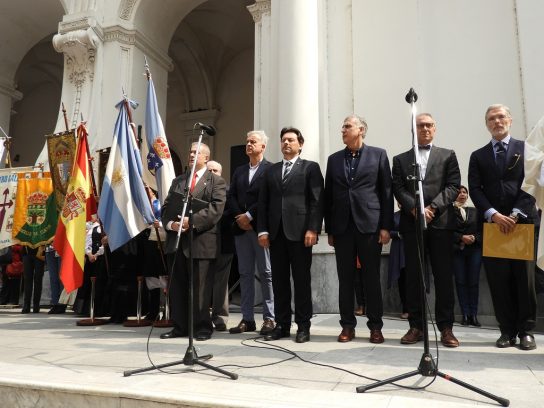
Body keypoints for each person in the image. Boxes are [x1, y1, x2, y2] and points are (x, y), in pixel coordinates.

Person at [468, 104, 537, 350]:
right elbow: (475, 189)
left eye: (500, 117)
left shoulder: (527, 149)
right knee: (499, 281)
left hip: (522, 225)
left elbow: (532, 183)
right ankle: (505, 330)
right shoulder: (478, 156)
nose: (496, 122)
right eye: (491, 119)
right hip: (493, 226)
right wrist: (494, 214)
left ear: (510, 120)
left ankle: (525, 331)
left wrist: (516, 214)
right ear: (487, 124)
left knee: (523, 280)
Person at [392, 113, 461, 348]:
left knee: (443, 277)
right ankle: (416, 326)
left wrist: (431, 207)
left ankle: (446, 328)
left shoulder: (447, 155)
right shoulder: (400, 159)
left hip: (441, 224)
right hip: (412, 226)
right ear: (413, 130)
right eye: (420, 125)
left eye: (429, 125)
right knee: (414, 276)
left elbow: (453, 186)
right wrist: (415, 208)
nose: (425, 129)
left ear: (435, 128)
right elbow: (398, 188)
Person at [324, 115, 393, 344]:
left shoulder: (379, 154)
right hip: (342, 227)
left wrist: (386, 227)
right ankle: (347, 326)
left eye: (347, 126)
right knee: (345, 279)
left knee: (371, 278)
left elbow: (386, 193)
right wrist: (330, 229)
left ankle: (375, 326)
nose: (342, 129)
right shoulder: (333, 160)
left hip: (369, 226)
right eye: (342, 126)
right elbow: (328, 196)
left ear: (361, 129)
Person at [257, 126, 324, 343]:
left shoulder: (310, 168)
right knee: (279, 282)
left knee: (302, 281)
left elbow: (316, 201)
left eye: (291, 140)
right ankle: (282, 325)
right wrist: (263, 230)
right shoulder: (271, 171)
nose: (286, 143)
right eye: (284, 140)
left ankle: (303, 326)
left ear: (300, 144)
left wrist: (313, 228)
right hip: (276, 234)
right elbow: (263, 203)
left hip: (301, 233)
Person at [160, 142, 226, 341]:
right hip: (178, 241)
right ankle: (180, 326)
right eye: (189, 151)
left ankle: (202, 328)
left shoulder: (216, 181)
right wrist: (170, 224)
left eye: (196, 152)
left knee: (201, 289)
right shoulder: (178, 181)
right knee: (178, 287)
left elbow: (216, 209)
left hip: (202, 242)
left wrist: (192, 221)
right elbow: (166, 208)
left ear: (206, 157)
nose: (191, 155)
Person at [227, 130, 275, 335]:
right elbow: (231, 196)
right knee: (245, 273)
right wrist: (240, 216)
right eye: (247, 141)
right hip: (241, 229)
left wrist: (250, 215)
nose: (248, 144)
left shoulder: (271, 170)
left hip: (260, 228)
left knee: (266, 273)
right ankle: (247, 319)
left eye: (252, 142)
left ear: (262, 146)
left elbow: (268, 197)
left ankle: (269, 318)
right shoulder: (239, 171)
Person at [206, 160, 234, 331]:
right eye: (209, 170)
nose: (212, 173)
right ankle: (200, 316)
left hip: (223, 242)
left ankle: (219, 318)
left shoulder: (228, 191)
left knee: (221, 283)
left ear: (221, 173)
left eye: (216, 170)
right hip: (201, 243)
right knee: (202, 282)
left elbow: (231, 212)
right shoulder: (196, 190)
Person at [452, 185, 482, 327]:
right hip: (458, 251)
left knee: (473, 282)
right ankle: (464, 315)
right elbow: (447, 231)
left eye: (464, 192)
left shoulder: (475, 210)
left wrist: (474, 238)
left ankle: (473, 315)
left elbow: (482, 230)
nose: (462, 194)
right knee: (461, 282)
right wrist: (461, 237)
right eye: (459, 192)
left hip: (474, 250)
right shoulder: (448, 211)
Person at [387, 207, 409, 319]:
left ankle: (415, 309)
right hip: (398, 250)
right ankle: (405, 309)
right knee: (402, 280)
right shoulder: (394, 216)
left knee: (414, 281)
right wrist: (398, 234)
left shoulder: (413, 214)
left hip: (411, 249)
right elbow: (388, 231)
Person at [21, 246, 46, 313]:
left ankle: (36, 305)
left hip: (40, 253)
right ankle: (26, 305)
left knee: (38, 279)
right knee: (27, 280)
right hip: (26, 252)